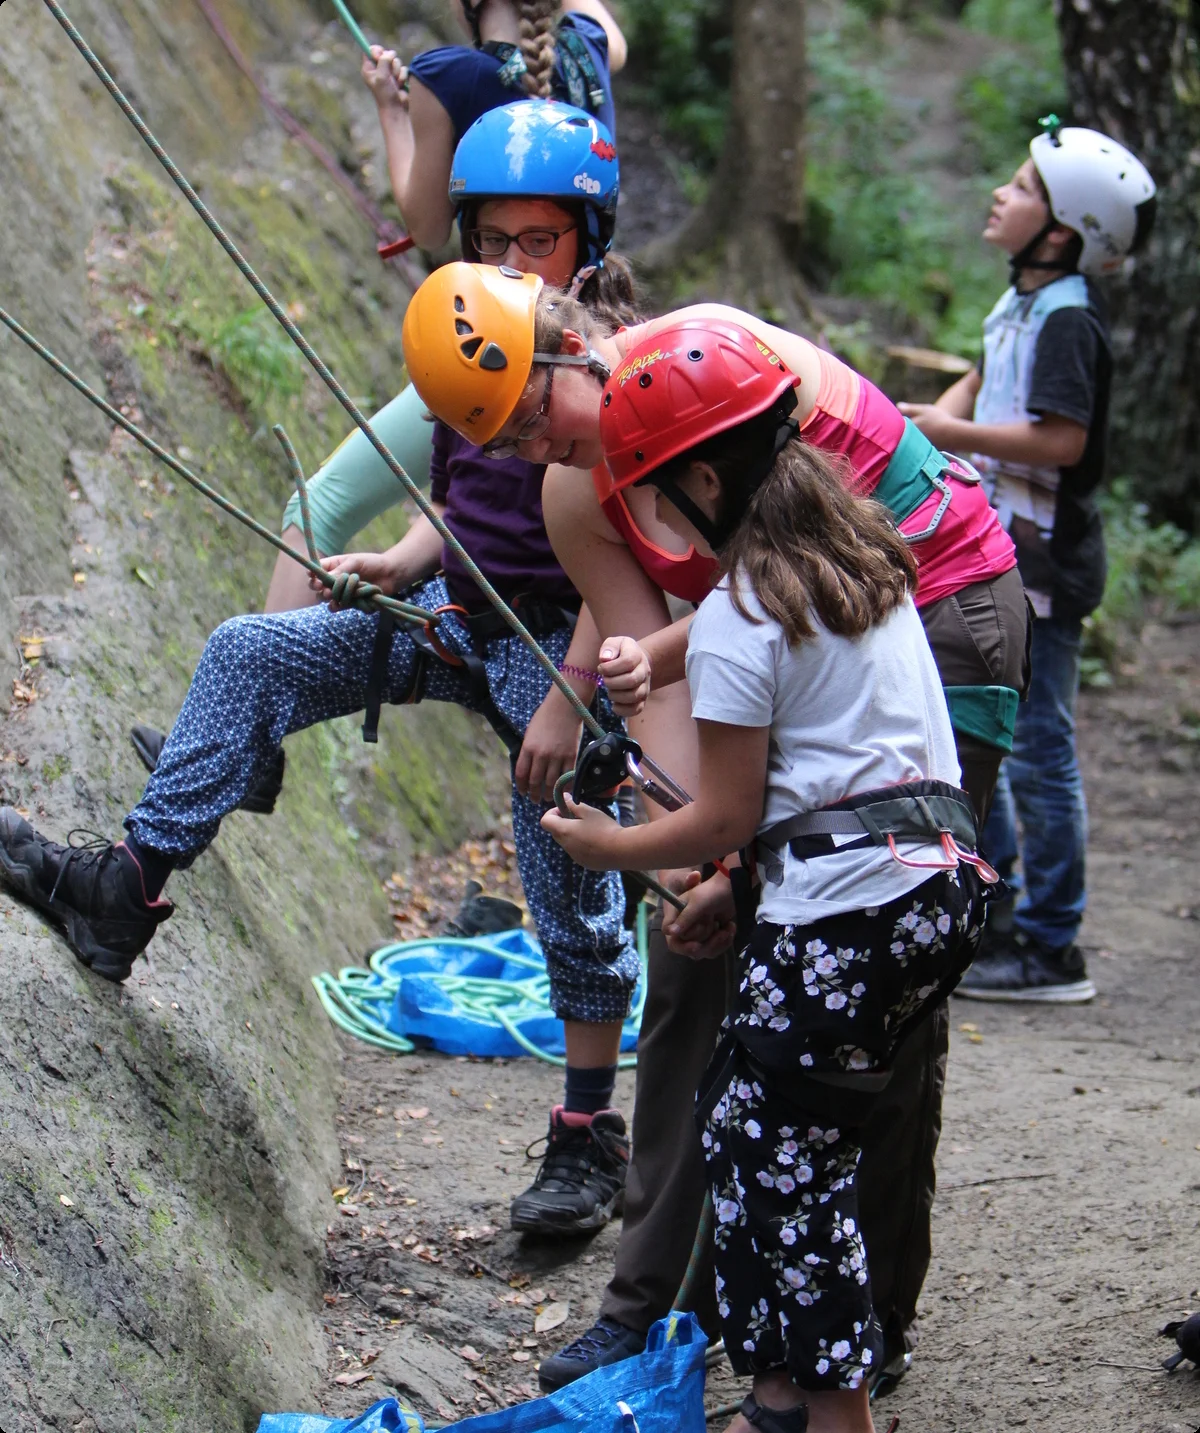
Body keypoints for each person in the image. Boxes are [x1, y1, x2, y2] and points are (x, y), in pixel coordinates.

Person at [0, 103, 645, 1241]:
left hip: (564, 639)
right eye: (490, 239)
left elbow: (633, 560)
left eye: (535, 243)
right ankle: (122, 893)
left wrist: (571, 696)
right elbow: (461, 497)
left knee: (564, 855)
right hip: (455, 607)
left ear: (586, 241)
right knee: (250, 652)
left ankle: (586, 1130)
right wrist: (396, 556)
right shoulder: (468, 329)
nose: (506, 263)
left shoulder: (615, 371)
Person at [399, 263, 1027, 1391]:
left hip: (937, 611)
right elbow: (672, 702)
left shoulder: (722, 372)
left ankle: (862, 1319)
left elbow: (786, 613)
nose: (544, 451)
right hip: (780, 644)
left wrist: (724, 844)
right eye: (513, 445)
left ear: (577, 347)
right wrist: (696, 860)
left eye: (539, 417)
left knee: (869, 968)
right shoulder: (579, 492)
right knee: (694, 959)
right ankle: (658, 1301)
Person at [539, 321, 992, 1433]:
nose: (647, 519)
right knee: (766, 1121)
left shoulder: (743, 615)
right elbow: (827, 755)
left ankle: (825, 1410)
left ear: (701, 479)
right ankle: (786, 1391)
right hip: (927, 883)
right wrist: (736, 886)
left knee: (778, 1151)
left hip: (849, 907)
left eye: (648, 492)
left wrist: (608, 847)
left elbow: (727, 812)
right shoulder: (850, 557)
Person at [898, 118, 1156, 1004]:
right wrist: (922, 422)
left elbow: (1062, 438)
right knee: (984, 729)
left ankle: (1052, 945)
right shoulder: (1024, 303)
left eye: (1020, 188)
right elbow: (981, 376)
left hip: (1044, 571)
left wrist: (952, 432)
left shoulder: (1070, 320)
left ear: (1060, 232)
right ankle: (995, 908)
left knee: (1040, 748)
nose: (999, 195)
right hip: (997, 561)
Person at [362, 0, 626, 251]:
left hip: (502, 296)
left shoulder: (445, 78)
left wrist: (392, 110)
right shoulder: (588, 47)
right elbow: (617, 47)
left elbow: (428, 232)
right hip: (593, 295)